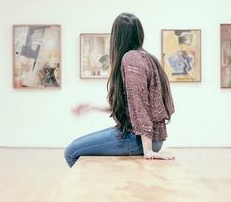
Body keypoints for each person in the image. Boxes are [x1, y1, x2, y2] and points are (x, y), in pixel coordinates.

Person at [64, 13, 175, 167]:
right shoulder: (146, 57)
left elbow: (139, 105)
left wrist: (148, 150)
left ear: (117, 37)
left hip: (138, 140)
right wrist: (92, 107)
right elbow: (131, 105)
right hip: (145, 138)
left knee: (71, 152)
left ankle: (91, 190)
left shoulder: (131, 59)